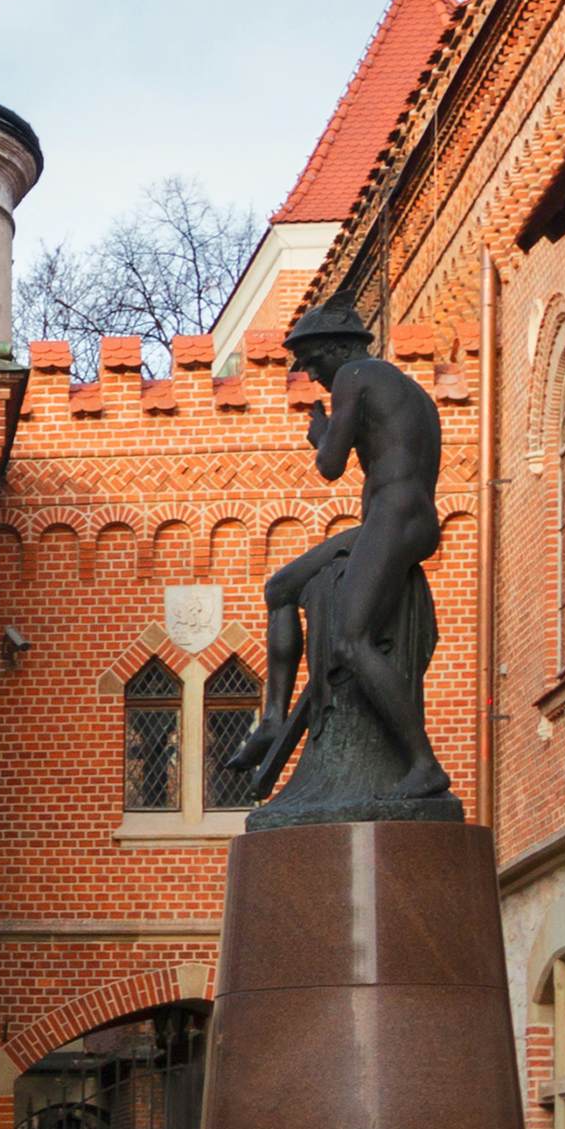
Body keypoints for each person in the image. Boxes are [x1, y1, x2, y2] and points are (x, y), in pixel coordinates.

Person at [220, 298, 452, 811]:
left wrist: (320, 431)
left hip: (397, 517)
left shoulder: (356, 375)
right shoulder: (403, 390)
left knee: (351, 639)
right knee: (279, 587)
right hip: (389, 519)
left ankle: (423, 764)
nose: (312, 375)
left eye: (310, 362)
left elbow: (329, 465)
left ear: (333, 350)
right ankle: (274, 719)